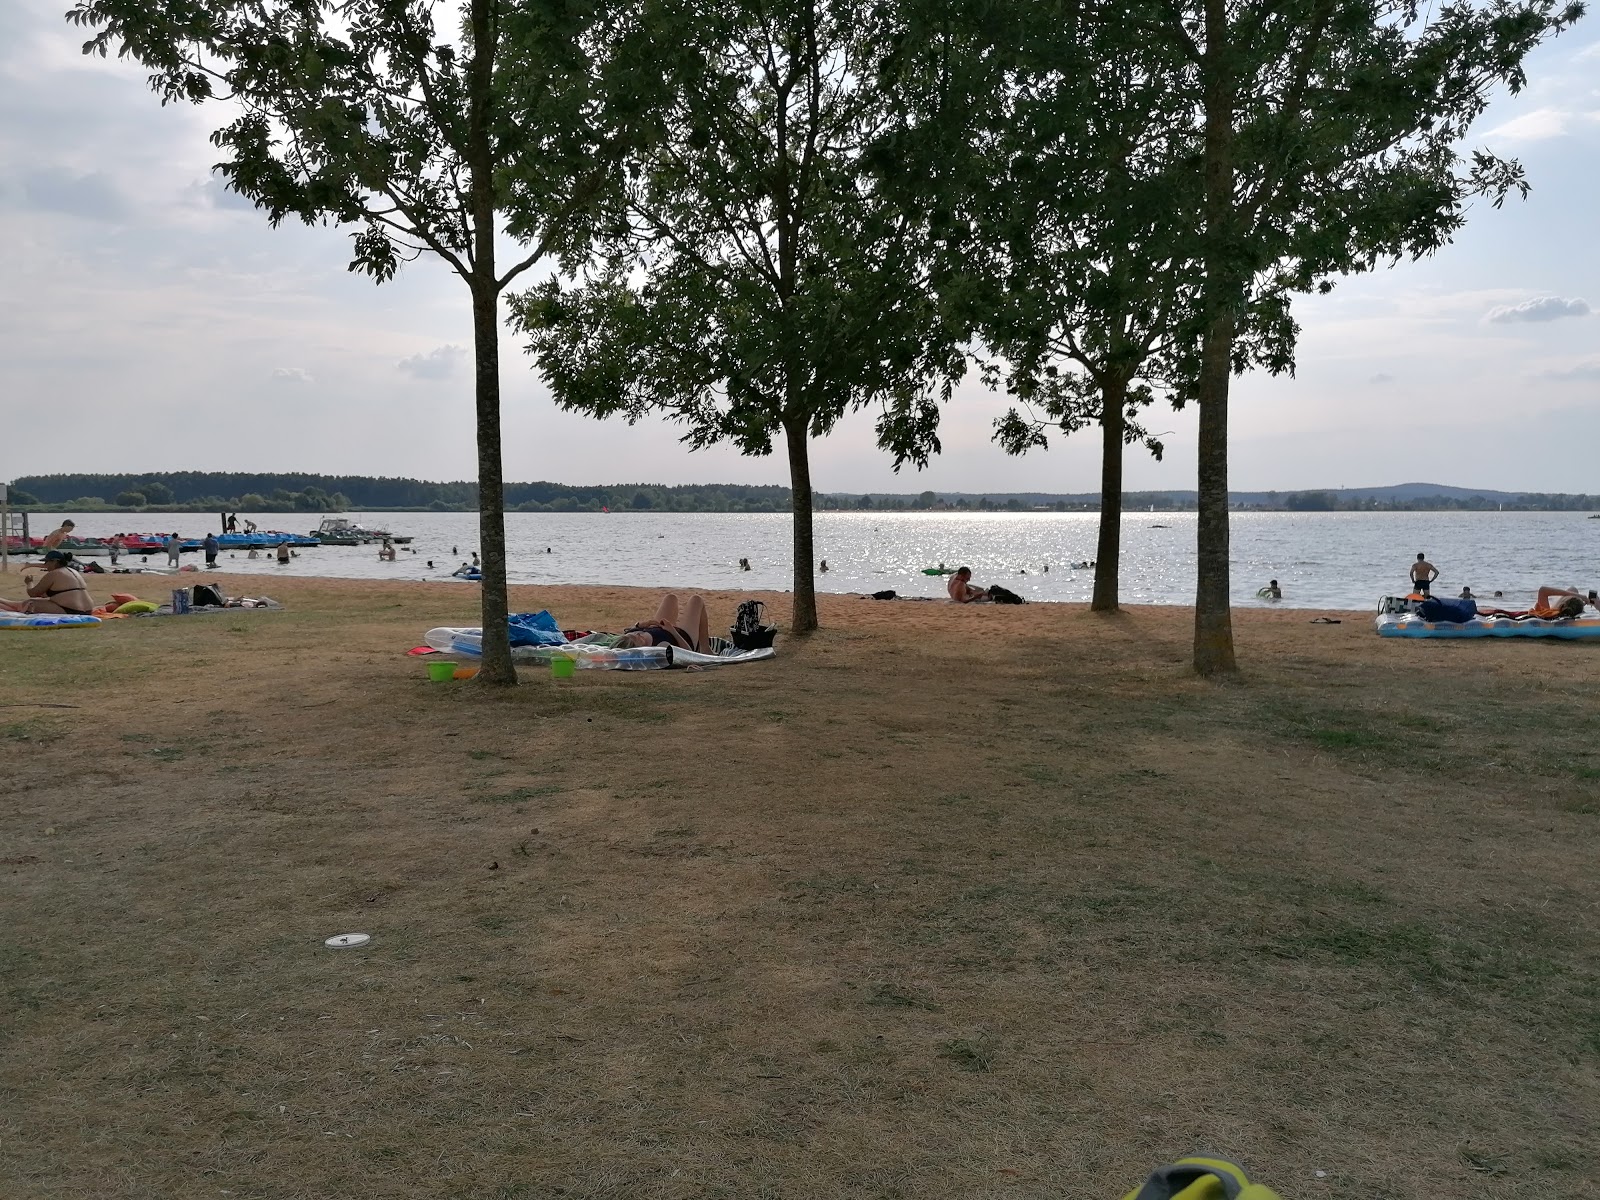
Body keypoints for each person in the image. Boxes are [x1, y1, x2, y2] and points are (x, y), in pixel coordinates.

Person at [0, 550, 94, 615]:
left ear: (54, 562)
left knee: (29, 603)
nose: (45, 566)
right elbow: (54, 594)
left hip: (70, 610)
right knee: (30, 602)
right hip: (87, 610)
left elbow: (32, 593)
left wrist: (29, 582)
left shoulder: (54, 573)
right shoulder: (73, 571)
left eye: (46, 562)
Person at [615, 593, 710, 652]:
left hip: (662, 627)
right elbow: (687, 652)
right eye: (638, 637)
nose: (639, 633)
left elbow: (628, 633)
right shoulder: (660, 647)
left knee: (670, 597)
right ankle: (705, 649)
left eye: (636, 633)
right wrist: (672, 631)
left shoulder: (628, 638)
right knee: (696, 600)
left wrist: (640, 625)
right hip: (683, 636)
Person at [1478, 586, 1596, 620]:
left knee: (1573, 590)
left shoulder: (1548, 613)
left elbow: (1542, 590)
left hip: (1527, 615)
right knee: (1573, 590)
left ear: (1563, 604)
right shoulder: (1556, 614)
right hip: (1564, 611)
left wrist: (1578, 596)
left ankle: (1575, 596)